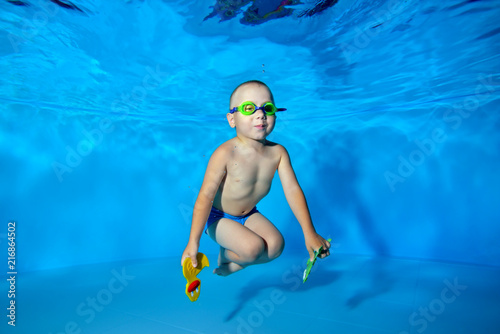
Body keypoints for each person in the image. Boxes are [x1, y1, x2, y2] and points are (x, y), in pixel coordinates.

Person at [181, 80, 330, 276]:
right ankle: (227, 255)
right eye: (249, 108)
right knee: (253, 249)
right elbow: (205, 196)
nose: (260, 114)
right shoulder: (225, 153)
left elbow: (293, 190)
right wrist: (193, 242)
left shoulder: (278, 153)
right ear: (232, 119)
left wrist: (309, 232)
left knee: (276, 246)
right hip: (216, 217)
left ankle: (230, 261)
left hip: (248, 214)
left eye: (267, 108)